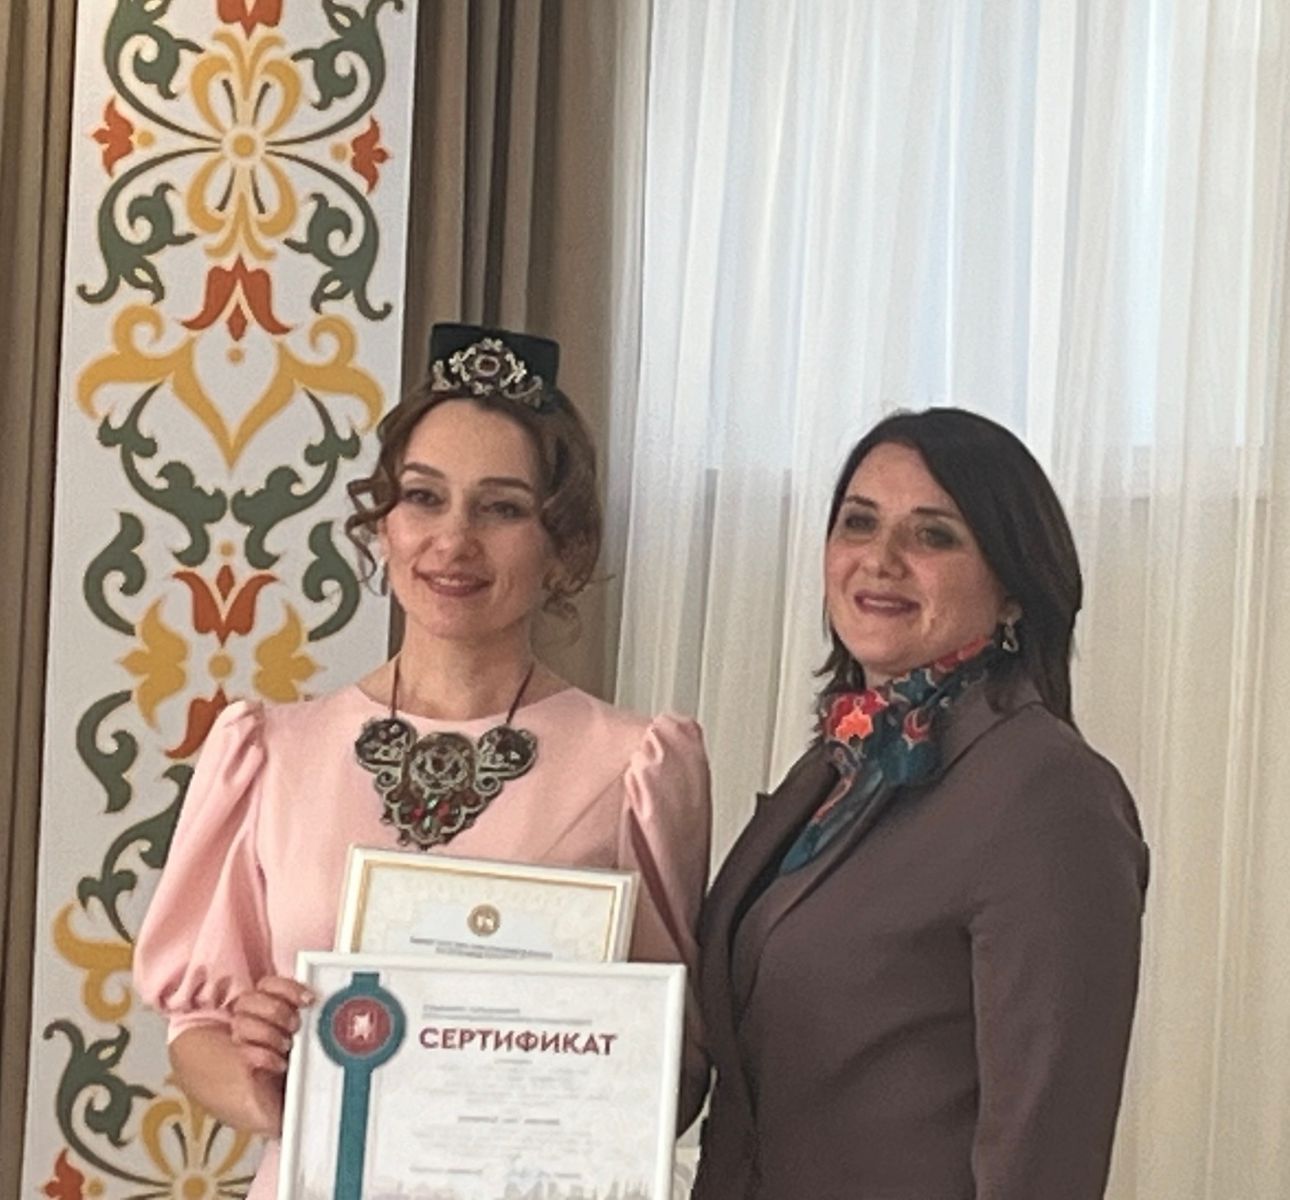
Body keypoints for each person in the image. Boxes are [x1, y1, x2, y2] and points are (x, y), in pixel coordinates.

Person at [134, 324, 711, 1198]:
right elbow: (195, 1028)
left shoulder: (637, 767)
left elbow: (681, 1064)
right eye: (423, 498)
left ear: (562, 543)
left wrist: (585, 1087)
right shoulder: (269, 753)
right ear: (383, 523)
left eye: (501, 508)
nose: (453, 540)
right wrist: (267, 1075)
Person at [691, 408, 1148, 1200]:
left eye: (932, 535)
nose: (880, 559)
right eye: (859, 523)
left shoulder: (1049, 791)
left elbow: (1046, 1153)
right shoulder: (839, 765)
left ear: (1014, 588)